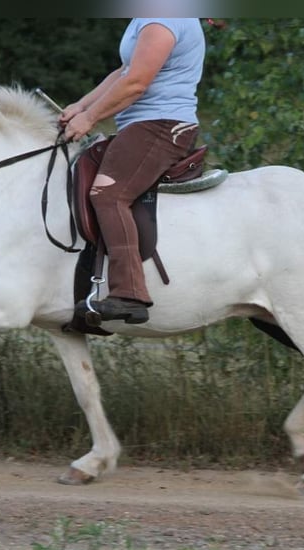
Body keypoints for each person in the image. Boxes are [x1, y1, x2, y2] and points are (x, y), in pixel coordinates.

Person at [59, 18, 205, 324]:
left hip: (162, 125)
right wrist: (81, 106)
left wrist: (91, 118)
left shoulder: (164, 17)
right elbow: (123, 72)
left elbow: (137, 81)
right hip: (140, 124)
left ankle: (130, 294)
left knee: (108, 194)